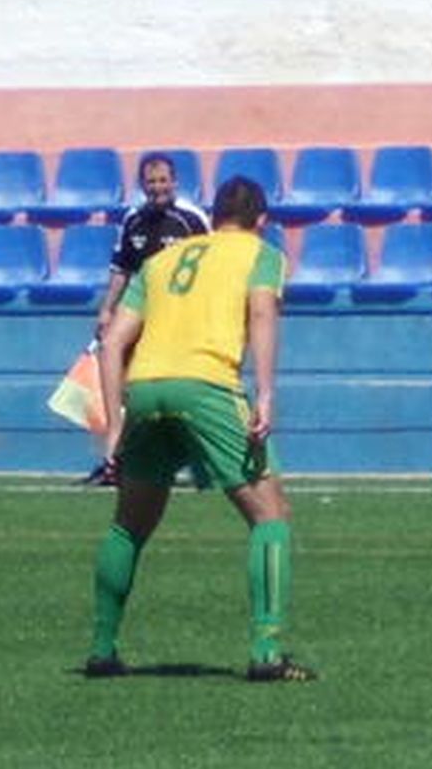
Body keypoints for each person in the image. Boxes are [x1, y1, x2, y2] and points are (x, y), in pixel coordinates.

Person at [83, 175, 311, 682]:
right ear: (261, 220)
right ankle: (267, 652)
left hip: (146, 388)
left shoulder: (163, 260)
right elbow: (261, 313)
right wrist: (265, 394)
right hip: (206, 385)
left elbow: (113, 341)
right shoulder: (262, 254)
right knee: (271, 514)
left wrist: (115, 423)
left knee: (129, 525)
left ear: (214, 215)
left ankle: (102, 649)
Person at [83, 152, 211, 486]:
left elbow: (213, 266)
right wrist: (107, 309)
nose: (157, 187)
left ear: (175, 182)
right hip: (141, 305)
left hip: (181, 311)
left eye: (163, 180)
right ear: (142, 185)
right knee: (111, 349)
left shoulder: (192, 219)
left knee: (179, 383)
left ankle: (198, 456)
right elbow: (121, 268)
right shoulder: (133, 219)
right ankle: (114, 453)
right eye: (151, 182)